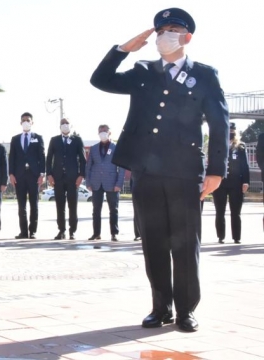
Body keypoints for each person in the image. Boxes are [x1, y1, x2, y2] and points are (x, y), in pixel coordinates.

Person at [90, 8, 229, 332]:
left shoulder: (205, 74)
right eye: (160, 30)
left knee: (185, 244)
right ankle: (160, 307)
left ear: (186, 36)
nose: (164, 34)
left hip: (185, 172)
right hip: (146, 172)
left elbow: (220, 122)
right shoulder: (143, 71)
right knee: (153, 243)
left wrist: (216, 170)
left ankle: (185, 311)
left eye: (172, 29)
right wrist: (124, 49)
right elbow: (100, 80)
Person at [46, 118, 86, 240]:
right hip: (58, 178)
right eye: (62, 123)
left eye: (67, 123)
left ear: (71, 125)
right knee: (60, 205)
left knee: (72, 205)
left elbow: (82, 159)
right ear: (59, 126)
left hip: (73, 178)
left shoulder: (77, 140)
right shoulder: (54, 140)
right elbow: (49, 158)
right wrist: (49, 175)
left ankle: (72, 231)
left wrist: (81, 175)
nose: (65, 125)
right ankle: (61, 230)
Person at [8, 113, 45, 239]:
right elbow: (12, 157)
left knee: (34, 204)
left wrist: (42, 174)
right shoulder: (15, 139)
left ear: (32, 122)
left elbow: (42, 157)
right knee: (21, 205)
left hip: (34, 175)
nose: (26, 122)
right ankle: (23, 231)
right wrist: (11, 174)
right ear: (20, 123)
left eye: (28, 120)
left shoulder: (38, 138)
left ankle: (32, 231)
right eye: (23, 120)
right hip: (19, 176)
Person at [85, 125, 125, 241]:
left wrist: (119, 183)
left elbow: (121, 167)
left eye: (105, 131)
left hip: (112, 183)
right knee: (96, 210)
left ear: (109, 133)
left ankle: (114, 233)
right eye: (100, 131)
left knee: (113, 209)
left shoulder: (116, 147)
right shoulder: (93, 148)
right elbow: (88, 167)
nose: (103, 133)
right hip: (96, 183)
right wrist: (88, 182)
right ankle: (96, 233)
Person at [213, 123, 249, 244]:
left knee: (236, 212)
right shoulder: (217, 144)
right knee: (220, 211)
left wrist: (245, 181)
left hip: (236, 183)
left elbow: (245, 165)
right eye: (229, 130)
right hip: (220, 183)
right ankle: (221, 236)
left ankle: (236, 237)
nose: (231, 133)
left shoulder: (240, 146)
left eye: (233, 131)